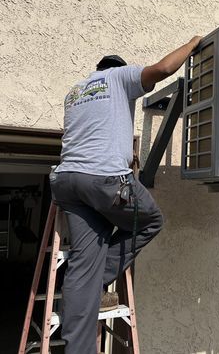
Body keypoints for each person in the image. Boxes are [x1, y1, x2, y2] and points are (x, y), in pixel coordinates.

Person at [50, 36, 202, 354]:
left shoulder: (75, 92)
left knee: (83, 261)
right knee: (150, 220)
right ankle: (95, 283)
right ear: (119, 69)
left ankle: (78, 340)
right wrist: (193, 43)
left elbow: (92, 134)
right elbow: (162, 69)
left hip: (67, 183)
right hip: (106, 183)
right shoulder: (119, 77)